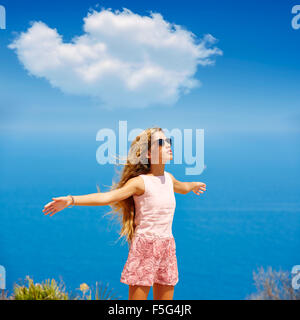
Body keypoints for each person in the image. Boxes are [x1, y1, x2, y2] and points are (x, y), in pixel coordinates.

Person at [42, 127, 206, 300]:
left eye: (168, 141)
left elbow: (182, 187)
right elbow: (107, 197)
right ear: (148, 154)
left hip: (167, 246)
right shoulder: (139, 183)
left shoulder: (169, 178)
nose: (167, 145)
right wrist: (71, 200)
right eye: (160, 142)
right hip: (146, 247)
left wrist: (193, 185)